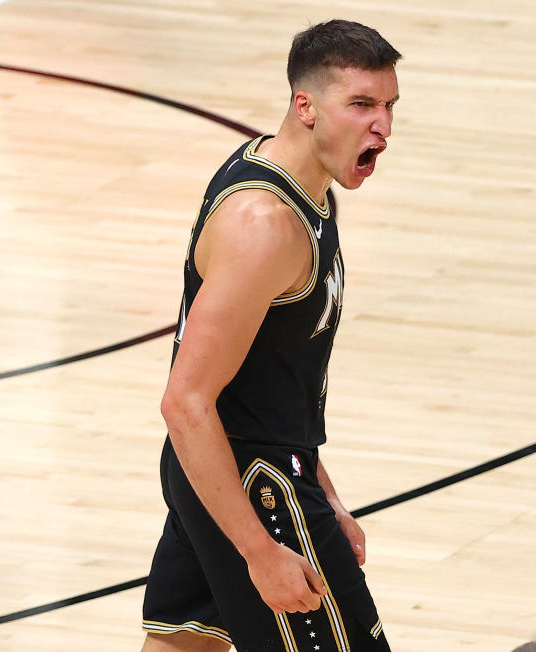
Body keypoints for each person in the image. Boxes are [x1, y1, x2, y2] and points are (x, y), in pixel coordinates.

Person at [140, 19, 401, 652]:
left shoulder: (301, 189)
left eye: (390, 106)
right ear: (305, 107)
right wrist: (260, 550)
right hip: (256, 487)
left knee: (185, 645)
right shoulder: (264, 224)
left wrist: (326, 492)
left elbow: (274, 383)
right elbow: (186, 400)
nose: (383, 128)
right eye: (362, 105)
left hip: (225, 469)